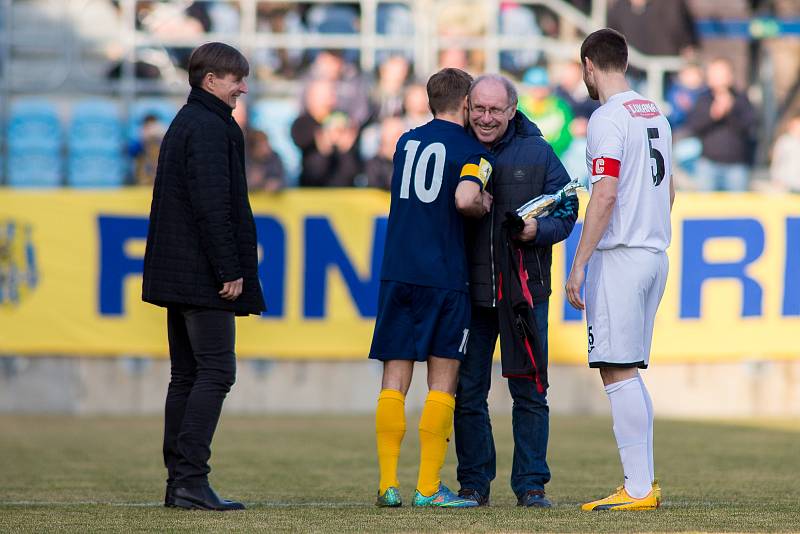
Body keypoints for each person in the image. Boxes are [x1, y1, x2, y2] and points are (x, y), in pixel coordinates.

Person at [141, 42, 266, 511]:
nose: (243, 87)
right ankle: (191, 479)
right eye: (236, 78)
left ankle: (179, 483)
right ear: (210, 80)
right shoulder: (211, 126)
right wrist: (228, 268)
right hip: (202, 274)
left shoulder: (187, 120)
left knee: (187, 375)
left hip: (180, 270)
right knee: (215, 372)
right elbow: (213, 204)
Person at [370, 67, 494, 509]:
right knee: (443, 380)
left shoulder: (406, 142)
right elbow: (463, 199)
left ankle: (387, 484)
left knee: (394, 377)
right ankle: (426, 487)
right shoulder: (473, 150)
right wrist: (483, 202)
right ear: (465, 105)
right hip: (444, 275)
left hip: (398, 270)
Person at [454, 74, 577, 508]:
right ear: (468, 106)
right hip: (468, 293)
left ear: (512, 110)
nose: (486, 119)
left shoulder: (539, 151)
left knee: (529, 391)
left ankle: (531, 486)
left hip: (524, 293)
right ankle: (473, 485)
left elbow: (567, 207)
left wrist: (536, 229)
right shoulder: (456, 146)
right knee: (468, 391)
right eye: (479, 109)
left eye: (496, 111)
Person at [565, 28, 675, 511]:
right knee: (628, 369)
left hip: (622, 257)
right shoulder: (656, 113)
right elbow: (670, 191)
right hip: (654, 254)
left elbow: (604, 194)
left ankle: (636, 489)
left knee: (616, 370)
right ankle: (643, 483)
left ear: (589, 64)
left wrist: (580, 262)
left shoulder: (607, 118)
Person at [686, 58, 756, 191]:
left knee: (738, 210)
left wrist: (731, 112)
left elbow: (749, 127)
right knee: (705, 209)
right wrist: (713, 115)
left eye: (722, 74)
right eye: (715, 75)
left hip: (736, 167)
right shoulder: (703, 99)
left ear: (730, 76)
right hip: (708, 165)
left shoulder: (741, 99)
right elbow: (693, 126)